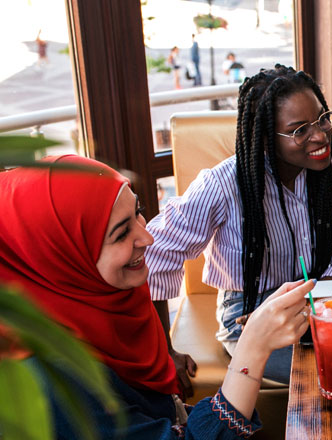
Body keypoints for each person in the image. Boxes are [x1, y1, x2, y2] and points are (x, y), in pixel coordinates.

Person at [0, 155, 312, 438]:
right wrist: (252, 348)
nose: (147, 237)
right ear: (56, 255)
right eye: (121, 234)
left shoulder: (111, 300)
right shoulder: (52, 381)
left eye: (138, 212)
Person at [145, 64, 332, 388]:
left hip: (322, 296)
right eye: (299, 130)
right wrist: (163, 350)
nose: (320, 135)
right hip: (249, 313)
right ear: (265, 139)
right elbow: (153, 254)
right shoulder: (224, 184)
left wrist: (312, 303)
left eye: (322, 118)